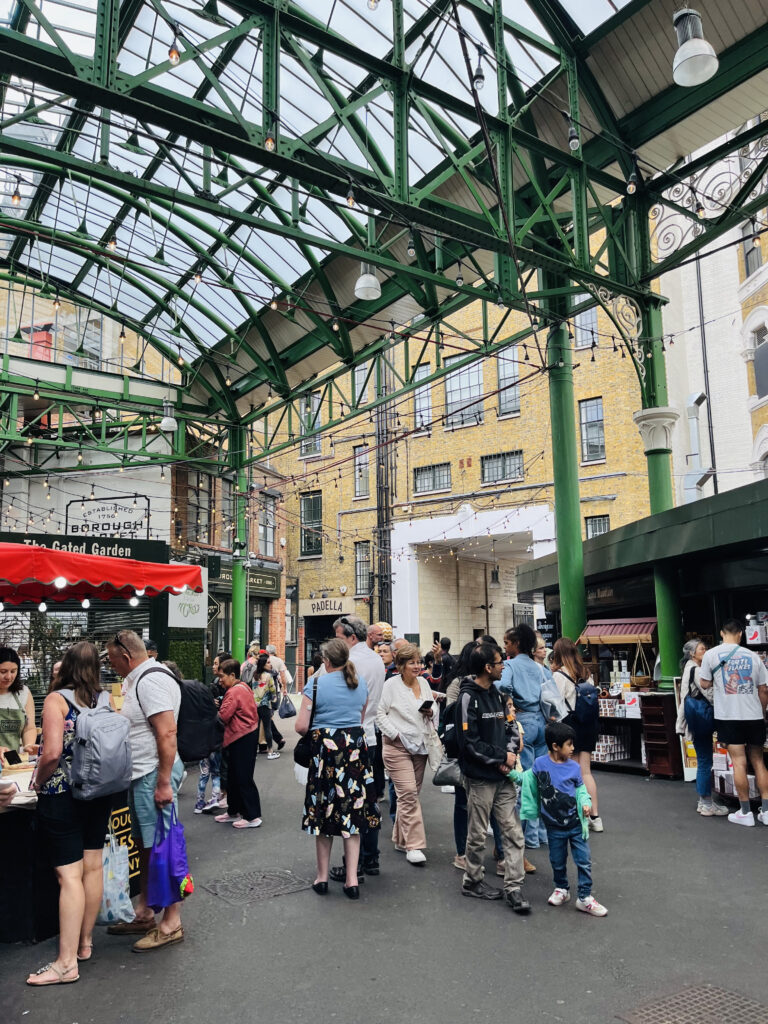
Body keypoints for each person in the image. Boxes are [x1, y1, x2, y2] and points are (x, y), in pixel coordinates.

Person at [27, 642, 115, 985]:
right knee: (92, 866)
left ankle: (65, 964)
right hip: (99, 790)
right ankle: (85, 943)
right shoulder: (103, 698)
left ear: (67, 666)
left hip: (62, 794)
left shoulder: (55, 700)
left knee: (68, 876)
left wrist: (38, 780)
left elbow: (50, 753)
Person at [105, 630, 185, 951]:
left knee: (162, 848)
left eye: (112, 661)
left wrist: (164, 781)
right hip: (144, 775)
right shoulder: (137, 677)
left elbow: (167, 733)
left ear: (126, 657)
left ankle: (172, 921)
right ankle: (145, 911)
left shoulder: (148, 680)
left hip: (153, 774)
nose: (112, 668)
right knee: (146, 846)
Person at [297, 638, 378, 899]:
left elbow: (300, 726)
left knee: (323, 812)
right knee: (352, 813)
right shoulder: (360, 683)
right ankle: (352, 879)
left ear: (326, 661)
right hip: (354, 751)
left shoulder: (316, 683)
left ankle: (321, 878)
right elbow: (361, 718)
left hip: (325, 754)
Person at [454, 643, 530, 912]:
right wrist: (502, 759)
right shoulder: (466, 698)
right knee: (476, 835)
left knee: (512, 832)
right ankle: (472, 881)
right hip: (480, 779)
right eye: (500, 662)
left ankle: (514, 887)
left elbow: (511, 728)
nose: (503, 666)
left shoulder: (498, 694)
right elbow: (469, 743)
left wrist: (507, 759)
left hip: (503, 777)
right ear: (487, 667)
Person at [520, 721, 607, 916]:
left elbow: (581, 789)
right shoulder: (540, 764)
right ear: (555, 746)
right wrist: (510, 774)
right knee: (557, 860)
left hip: (576, 824)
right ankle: (562, 889)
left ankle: (585, 897)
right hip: (553, 826)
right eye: (569, 744)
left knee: (583, 860)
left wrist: (586, 803)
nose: (573, 748)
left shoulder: (574, 768)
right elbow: (527, 779)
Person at [699, 619, 768, 827]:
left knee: (738, 762)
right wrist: (762, 712)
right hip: (754, 715)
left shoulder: (711, 655)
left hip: (728, 716)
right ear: (741, 634)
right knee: (758, 761)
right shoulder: (753, 656)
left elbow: (704, 682)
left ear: (722, 633)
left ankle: (745, 812)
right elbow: (764, 689)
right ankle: (766, 811)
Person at [332, 615, 385, 878]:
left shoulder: (348, 662)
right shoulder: (377, 659)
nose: (336, 642)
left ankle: (355, 864)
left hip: (350, 737)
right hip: (371, 736)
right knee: (370, 798)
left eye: (339, 637)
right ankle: (371, 857)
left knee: (350, 801)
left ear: (352, 637)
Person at [375, 643, 437, 866]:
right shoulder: (391, 685)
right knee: (409, 792)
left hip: (420, 746)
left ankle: (401, 839)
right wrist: (395, 734)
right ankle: (414, 845)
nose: (418, 666)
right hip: (396, 747)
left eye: (419, 661)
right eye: (412, 662)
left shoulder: (423, 682)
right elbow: (379, 713)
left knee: (409, 795)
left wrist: (431, 711)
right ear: (400, 665)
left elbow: (433, 709)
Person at [497, 623, 548, 849]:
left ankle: (529, 836)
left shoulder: (510, 665)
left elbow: (503, 685)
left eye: (507, 643)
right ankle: (543, 833)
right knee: (542, 777)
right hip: (543, 722)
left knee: (526, 780)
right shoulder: (540, 668)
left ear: (516, 644)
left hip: (524, 721)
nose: (505, 646)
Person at [550, 638, 603, 833]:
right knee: (586, 772)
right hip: (588, 724)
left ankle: (574, 814)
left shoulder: (559, 675)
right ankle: (595, 817)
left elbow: (556, 704)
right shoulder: (587, 673)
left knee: (570, 770)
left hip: (569, 724)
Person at [675, 638, 726, 817]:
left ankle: (702, 801)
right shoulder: (696, 670)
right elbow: (708, 693)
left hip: (694, 720)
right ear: (692, 653)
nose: (705, 651)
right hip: (702, 719)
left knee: (703, 759)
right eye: (702, 649)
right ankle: (706, 803)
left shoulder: (688, 668)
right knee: (705, 761)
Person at [214, 658, 262, 828]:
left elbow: (223, 716)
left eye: (222, 676)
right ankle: (233, 811)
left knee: (242, 776)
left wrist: (214, 709)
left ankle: (252, 816)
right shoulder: (244, 687)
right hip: (244, 735)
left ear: (232, 675)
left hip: (241, 737)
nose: (220, 680)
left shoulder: (234, 692)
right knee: (234, 776)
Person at [0, 646, 37, 765]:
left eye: (13, 671)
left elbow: (29, 727)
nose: (8, 677)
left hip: (12, 762)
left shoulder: (23, 693)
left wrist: (28, 745)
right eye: (3, 672)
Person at [254, 653, 280, 759]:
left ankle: (253, 751)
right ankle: (270, 751)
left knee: (255, 729)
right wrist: (273, 699)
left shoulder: (254, 675)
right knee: (267, 728)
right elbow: (272, 690)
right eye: (268, 663)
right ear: (264, 664)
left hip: (255, 704)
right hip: (265, 704)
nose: (270, 665)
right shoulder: (268, 676)